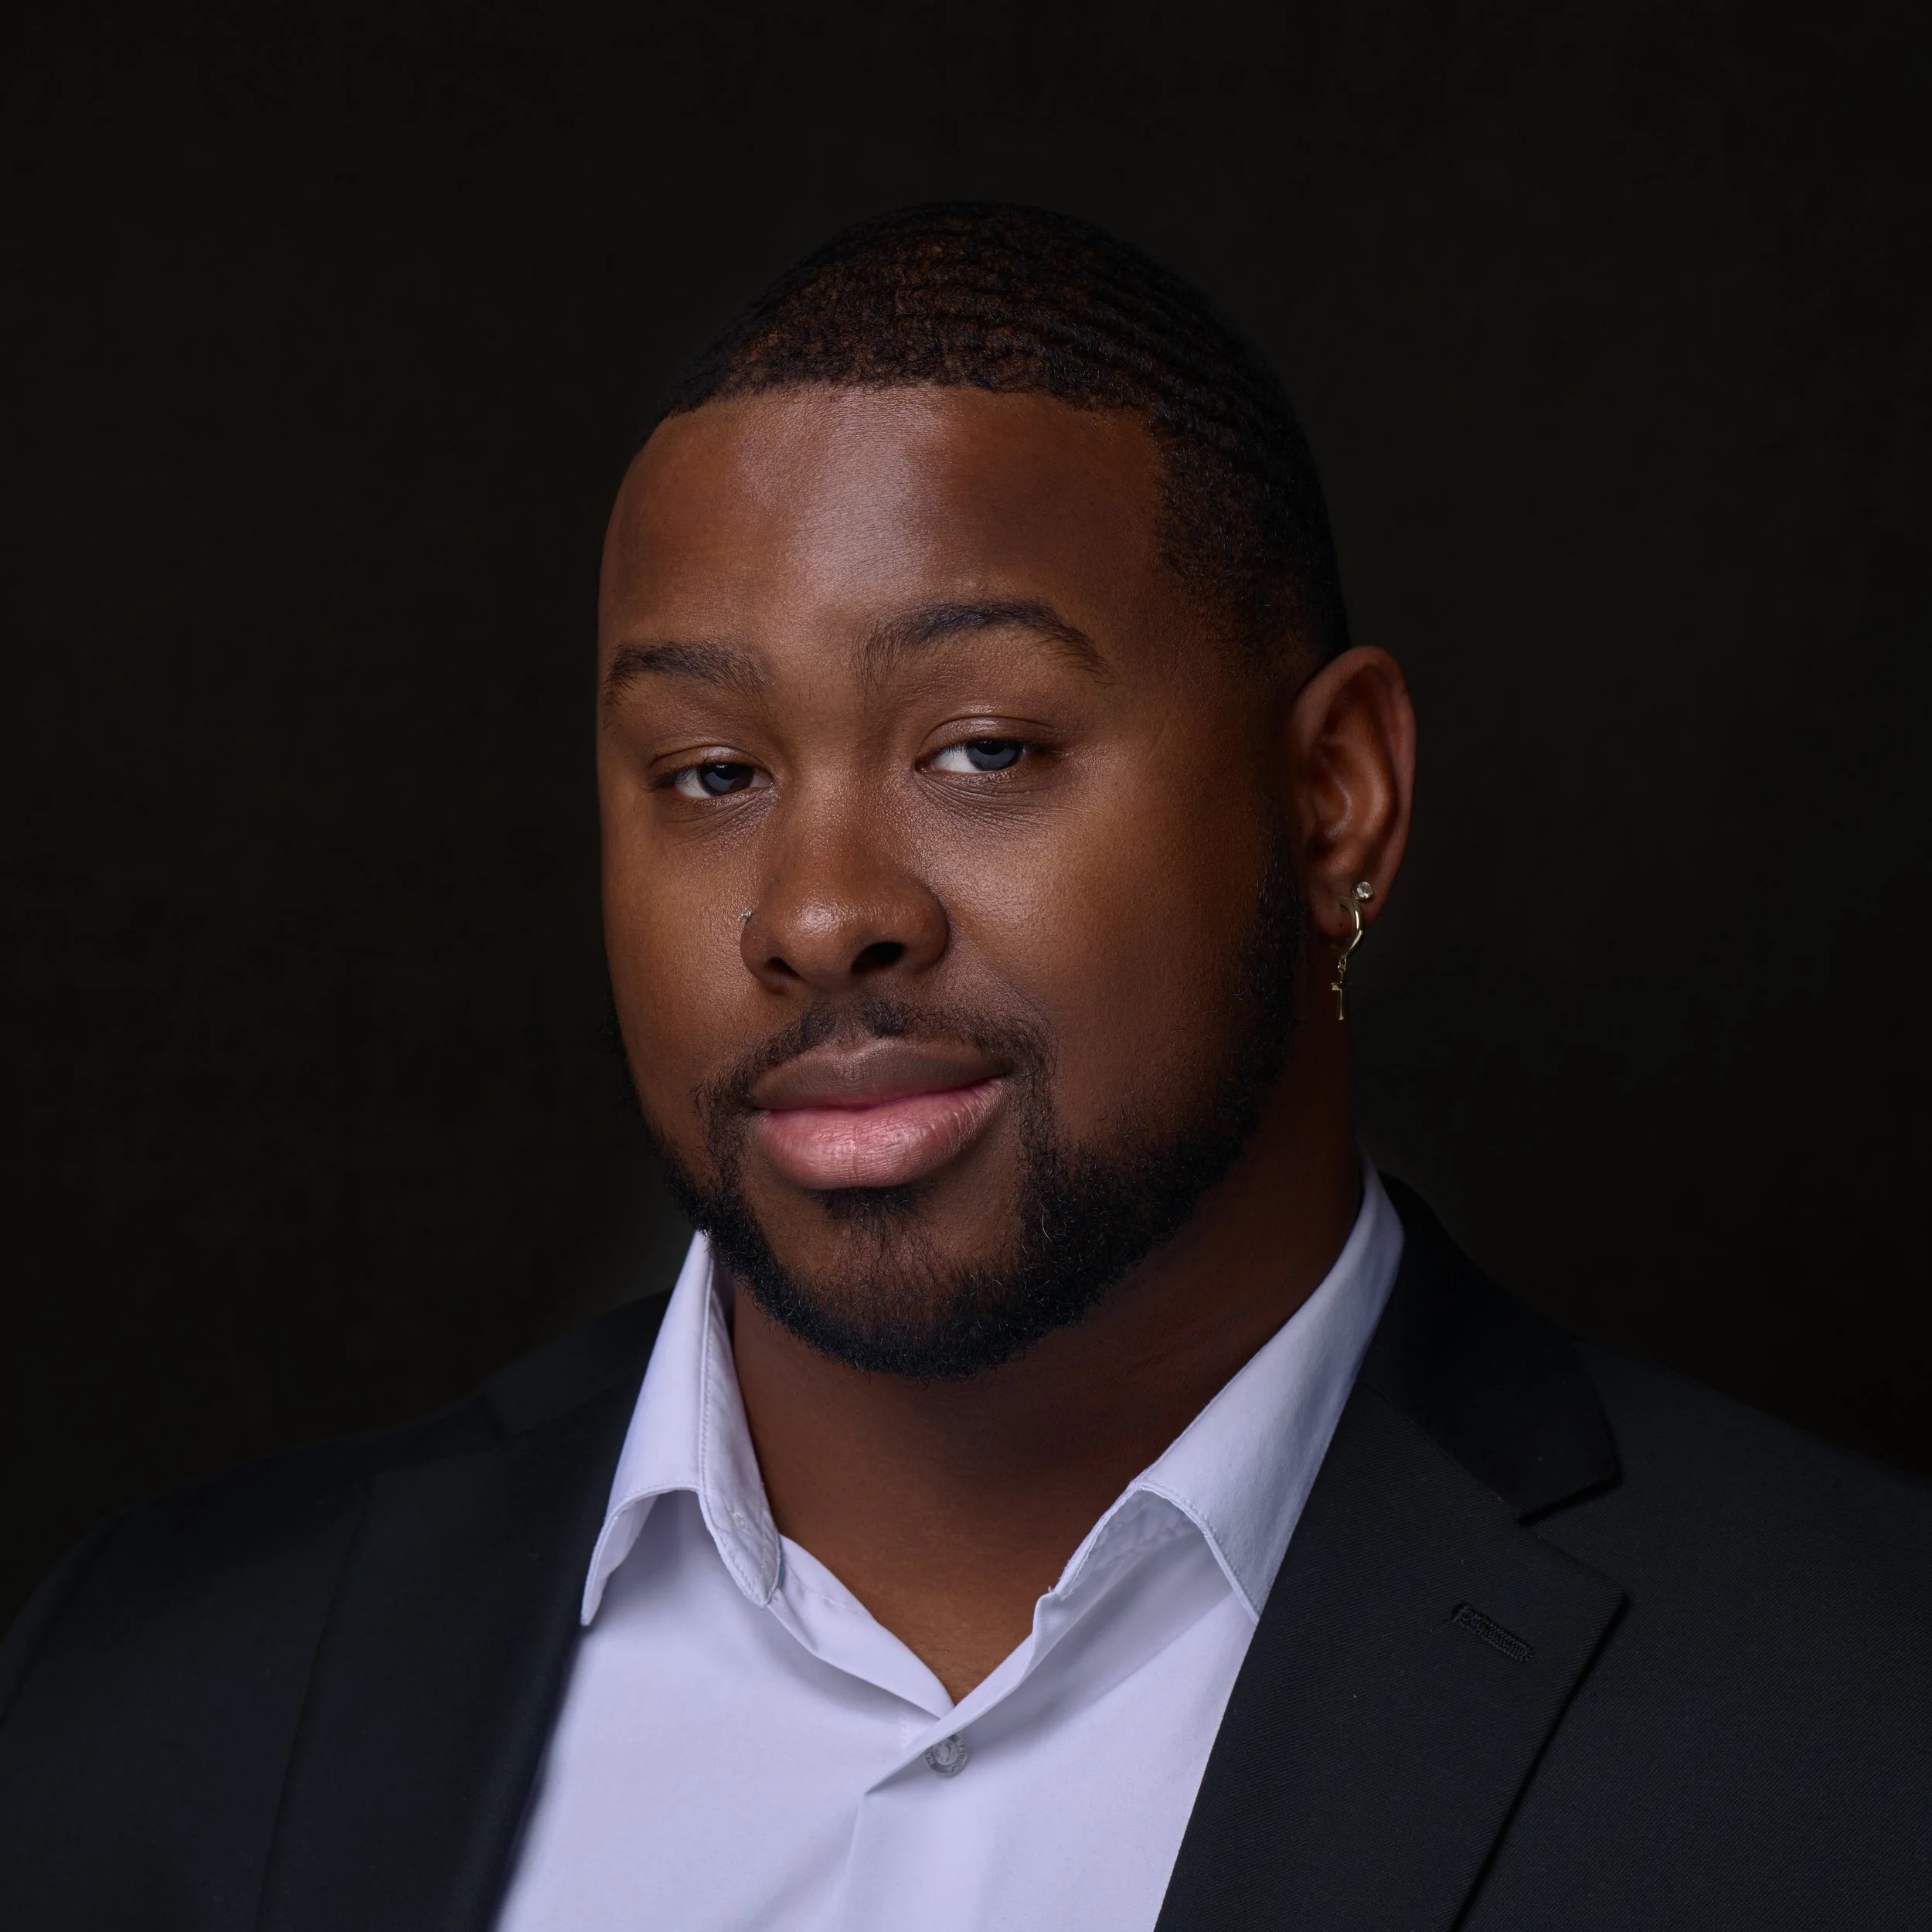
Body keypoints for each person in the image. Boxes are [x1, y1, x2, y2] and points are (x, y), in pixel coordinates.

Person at [2, 202, 1927, 1932]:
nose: (820, 911)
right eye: (710, 773)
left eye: (983, 746)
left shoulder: (1860, 1716)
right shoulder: (158, 1686)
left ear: (1334, 797)